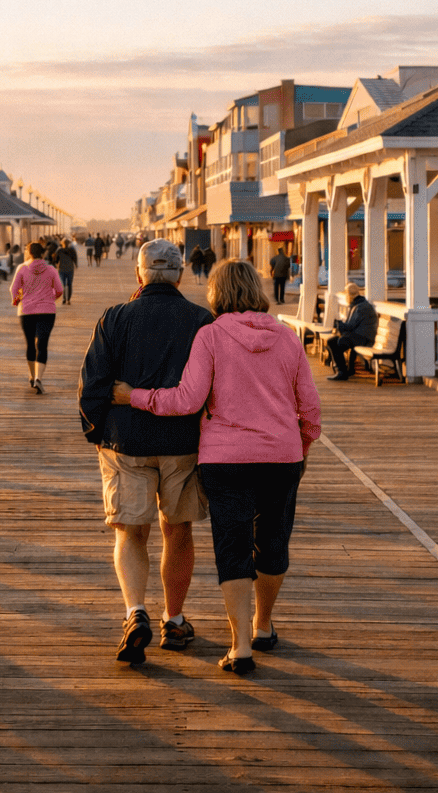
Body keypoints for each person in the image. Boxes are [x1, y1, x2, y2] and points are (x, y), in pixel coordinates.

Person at [114, 259, 319, 675]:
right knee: (273, 545)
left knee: (233, 548)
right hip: (282, 457)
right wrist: (301, 450)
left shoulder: (210, 336)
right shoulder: (287, 338)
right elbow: (310, 410)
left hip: (225, 460)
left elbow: (186, 401)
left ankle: (240, 646)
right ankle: (263, 626)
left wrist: (134, 396)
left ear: (216, 293)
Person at [78, 239, 214, 665]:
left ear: (139, 275)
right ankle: (174, 620)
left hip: (127, 441)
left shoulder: (114, 318)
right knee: (178, 530)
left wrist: (98, 433)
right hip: (183, 443)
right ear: (181, 275)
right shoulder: (201, 321)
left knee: (131, 532)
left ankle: (135, 613)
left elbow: (91, 385)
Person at [10, 241, 65, 394]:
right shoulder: (51, 269)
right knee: (42, 344)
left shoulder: (22, 268)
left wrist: (16, 301)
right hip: (47, 312)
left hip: (26, 311)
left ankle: (31, 375)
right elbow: (60, 290)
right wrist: (50, 299)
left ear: (29, 253)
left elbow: (14, 289)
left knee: (30, 344)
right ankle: (38, 378)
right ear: (42, 253)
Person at [325, 282, 378, 381]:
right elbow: (351, 326)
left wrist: (338, 321)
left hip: (364, 338)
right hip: (360, 335)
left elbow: (350, 326)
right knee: (332, 341)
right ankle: (342, 370)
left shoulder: (360, 307)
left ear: (349, 295)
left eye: (346, 295)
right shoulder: (358, 304)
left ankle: (342, 372)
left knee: (339, 342)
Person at [56, 236, 79, 306]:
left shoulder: (59, 251)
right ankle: (68, 299)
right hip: (70, 269)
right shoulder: (71, 250)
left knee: (63, 285)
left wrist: (56, 264)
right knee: (69, 284)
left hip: (62, 270)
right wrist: (76, 264)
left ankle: (64, 298)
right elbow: (75, 258)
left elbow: (56, 260)